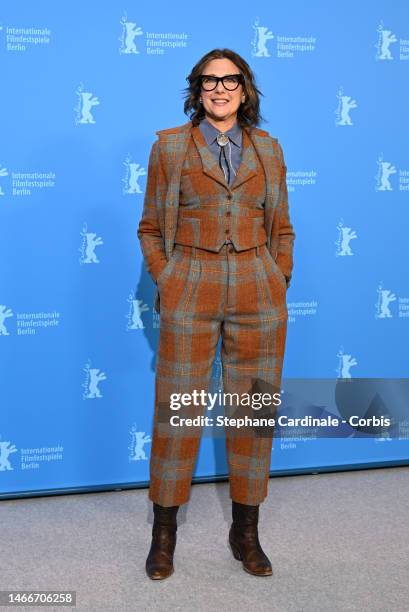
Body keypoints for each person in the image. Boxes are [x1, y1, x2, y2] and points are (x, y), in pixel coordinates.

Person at [137, 48, 295, 580]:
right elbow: (151, 228)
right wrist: (170, 278)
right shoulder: (169, 148)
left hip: (258, 288)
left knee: (251, 413)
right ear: (197, 90)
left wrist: (277, 278)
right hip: (192, 287)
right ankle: (164, 533)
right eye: (210, 81)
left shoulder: (268, 150)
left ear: (245, 90)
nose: (220, 89)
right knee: (179, 411)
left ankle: (245, 531)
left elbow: (283, 227)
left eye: (230, 81)